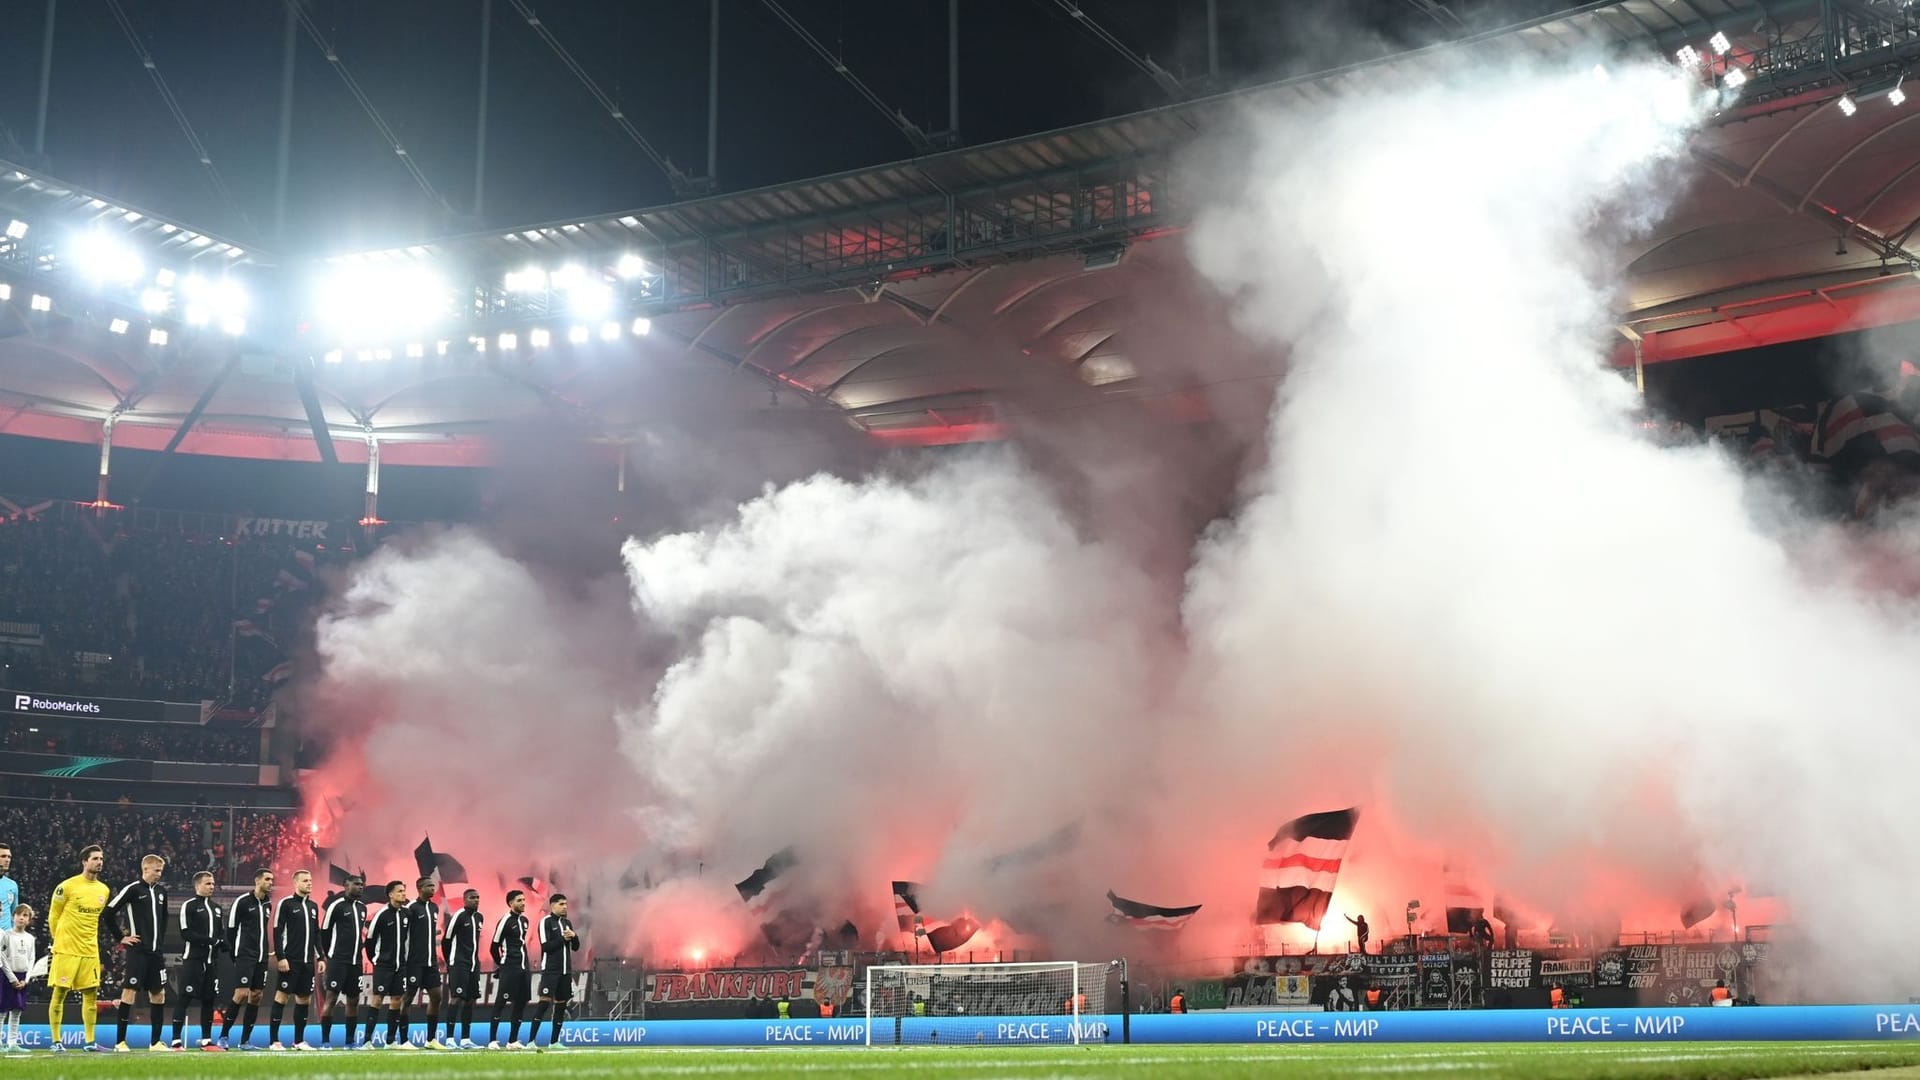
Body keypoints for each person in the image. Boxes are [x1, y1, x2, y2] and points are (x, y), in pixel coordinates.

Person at [47, 843, 111, 1052]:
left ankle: (90, 1042)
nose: (99, 862)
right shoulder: (66, 886)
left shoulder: (104, 890)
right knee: (60, 993)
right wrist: (57, 941)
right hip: (66, 949)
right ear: (84, 861)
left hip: (90, 950)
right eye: (95, 858)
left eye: (101, 859)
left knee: (91, 995)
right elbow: (54, 915)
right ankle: (56, 1041)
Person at [108, 854, 170, 1052]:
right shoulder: (133, 889)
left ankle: (155, 1043)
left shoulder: (161, 892)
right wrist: (121, 937)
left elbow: (165, 918)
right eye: (156, 871)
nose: (159, 875)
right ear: (146, 869)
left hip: (156, 953)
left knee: (159, 995)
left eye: (161, 871)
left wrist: (160, 942)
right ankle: (120, 1042)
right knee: (129, 993)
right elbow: (108, 913)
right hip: (138, 952)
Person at [220, 868, 275, 1050]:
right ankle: (224, 1036)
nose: (270, 882)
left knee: (256, 996)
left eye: (272, 879)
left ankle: (245, 1041)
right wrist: (236, 954)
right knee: (241, 993)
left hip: (262, 957)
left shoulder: (268, 903)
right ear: (257, 880)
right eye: (267, 879)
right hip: (245, 955)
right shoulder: (242, 902)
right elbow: (231, 929)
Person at [168, 872, 224, 1051]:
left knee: (209, 1000)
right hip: (193, 960)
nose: (212, 886)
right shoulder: (189, 906)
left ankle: (206, 1041)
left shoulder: (217, 908)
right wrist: (211, 941)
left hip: (211, 962)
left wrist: (224, 944)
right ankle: (176, 1040)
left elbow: (220, 933)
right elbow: (186, 933)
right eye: (208, 883)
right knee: (184, 998)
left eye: (213, 883)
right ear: (197, 886)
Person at [269, 869, 321, 1050]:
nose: (309, 883)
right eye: (305, 880)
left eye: (310, 880)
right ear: (296, 883)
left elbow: (316, 933)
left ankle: (298, 1041)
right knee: (282, 998)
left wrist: (320, 956)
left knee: (304, 999)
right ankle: (274, 1041)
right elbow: (277, 931)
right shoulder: (286, 904)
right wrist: (280, 956)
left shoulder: (313, 906)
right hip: (290, 960)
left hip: (307, 962)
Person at [319, 875, 368, 1049]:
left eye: (362, 885)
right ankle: (325, 1041)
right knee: (331, 999)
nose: (360, 887)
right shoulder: (335, 906)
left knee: (353, 1000)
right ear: (345, 886)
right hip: (337, 961)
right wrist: (330, 955)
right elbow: (324, 932)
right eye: (356, 884)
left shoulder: (362, 908)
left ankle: (350, 1041)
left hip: (356, 962)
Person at [363, 881, 412, 1051]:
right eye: (399, 891)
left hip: (400, 966)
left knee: (397, 1000)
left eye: (404, 891)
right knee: (377, 999)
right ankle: (367, 1041)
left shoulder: (406, 914)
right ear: (390, 894)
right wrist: (376, 960)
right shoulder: (381, 915)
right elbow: (369, 941)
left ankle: (390, 1041)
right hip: (383, 965)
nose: (403, 894)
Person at [403, 877, 446, 1050]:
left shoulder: (434, 908)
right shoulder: (411, 908)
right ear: (420, 887)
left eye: (433, 886)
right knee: (407, 999)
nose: (433, 888)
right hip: (414, 962)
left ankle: (431, 1039)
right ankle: (403, 1039)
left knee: (436, 997)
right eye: (429, 886)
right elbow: (403, 934)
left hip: (431, 962)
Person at [488, 889, 532, 1050]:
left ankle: (512, 1041)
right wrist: (502, 964)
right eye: (519, 900)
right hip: (510, 967)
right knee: (501, 1001)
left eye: (524, 900)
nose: (523, 903)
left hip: (523, 968)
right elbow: (494, 946)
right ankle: (492, 1040)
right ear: (511, 903)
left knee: (521, 1002)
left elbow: (521, 944)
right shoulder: (505, 921)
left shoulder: (525, 921)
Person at [535, 893, 580, 1051]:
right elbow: (546, 946)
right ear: (552, 905)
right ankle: (531, 1041)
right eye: (561, 904)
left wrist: (574, 936)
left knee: (561, 1005)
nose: (565, 907)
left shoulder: (567, 923)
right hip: (551, 970)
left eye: (566, 904)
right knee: (544, 1003)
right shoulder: (545, 922)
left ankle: (554, 1042)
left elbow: (575, 947)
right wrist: (563, 939)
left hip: (565, 971)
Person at [441, 889, 484, 1050]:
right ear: (464, 900)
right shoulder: (459, 916)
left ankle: (466, 1039)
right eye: (472, 898)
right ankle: (450, 1038)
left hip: (474, 964)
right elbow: (446, 940)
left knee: (470, 1000)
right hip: (458, 964)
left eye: (478, 897)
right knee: (457, 998)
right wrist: (450, 961)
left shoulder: (479, 918)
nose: (476, 900)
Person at [2, 903, 34, 1053]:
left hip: (22, 978)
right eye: (19, 914)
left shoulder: (30, 938)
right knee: (2, 1011)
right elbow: (2, 958)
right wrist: (12, 978)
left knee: (16, 1011)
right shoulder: (6, 935)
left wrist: (26, 980)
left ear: (29, 920)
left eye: (25, 915)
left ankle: (12, 1043)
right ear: (13, 917)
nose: (21, 918)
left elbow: (31, 959)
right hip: (7, 976)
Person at [0, 843, 16, 928]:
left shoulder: (12, 885)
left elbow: (14, 914)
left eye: (9, 857)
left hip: (6, 937)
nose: (7, 860)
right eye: (3, 856)